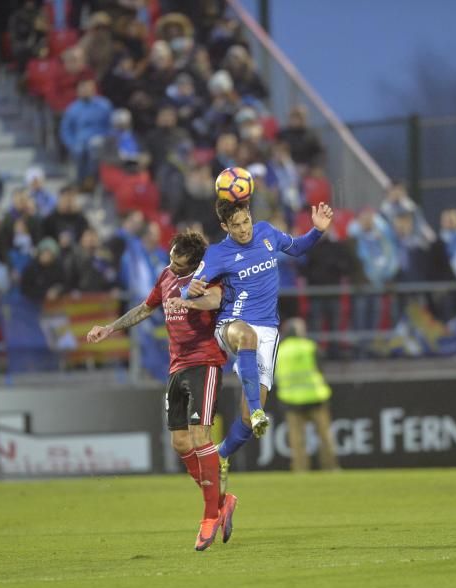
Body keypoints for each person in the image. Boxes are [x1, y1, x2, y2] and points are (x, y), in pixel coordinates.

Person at [86, 231, 238, 551]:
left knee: (200, 437)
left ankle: (210, 516)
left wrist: (190, 299)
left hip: (204, 364)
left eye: (178, 264)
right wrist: (110, 328)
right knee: (180, 442)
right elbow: (145, 308)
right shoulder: (167, 275)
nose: (171, 266)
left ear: (194, 264)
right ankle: (223, 501)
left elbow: (215, 299)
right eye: (170, 258)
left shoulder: (208, 275)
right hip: (176, 366)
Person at [171, 198, 333, 494]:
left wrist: (317, 231)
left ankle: (220, 455)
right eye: (236, 225)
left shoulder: (267, 233)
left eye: (246, 222)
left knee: (245, 421)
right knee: (246, 337)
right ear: (225, 227)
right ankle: (259, 412)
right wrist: (188, 289)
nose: (244, 229)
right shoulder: (218, 253)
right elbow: (189, 286)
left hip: (268, 330)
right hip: (232, 323)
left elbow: (296, 248)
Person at [275, 318, 340, 472]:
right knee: (325, 437)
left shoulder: (279, 351)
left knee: (297, 440)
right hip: (315, 397)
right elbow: (320, 369)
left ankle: (300, 470)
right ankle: (331, 467)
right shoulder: (309, 347)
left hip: (290, 400)